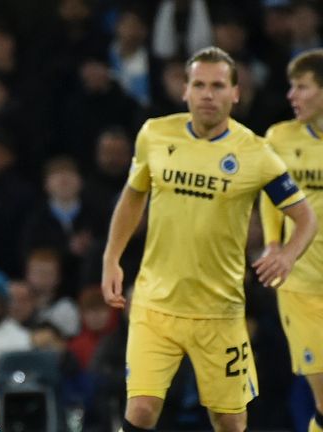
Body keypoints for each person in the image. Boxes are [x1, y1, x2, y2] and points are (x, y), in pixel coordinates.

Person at [101, 46, 317, 432]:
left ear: (235, 93)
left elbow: (304, 217)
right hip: (156, 305)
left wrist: (286, 255)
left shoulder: (257, 153)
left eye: (218, 85)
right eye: (198, 84)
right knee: (142, 409)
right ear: (184, 90)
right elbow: (133, 196)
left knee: (229, 420)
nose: (207, 94)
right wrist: (111, 259)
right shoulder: (155, 134)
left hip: (220, 311)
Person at [259, 48, 323, 432]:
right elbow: (271, 194)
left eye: (302, 87)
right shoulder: (280, 137)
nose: (291, 96)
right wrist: (271, 243)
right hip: (300, 287)